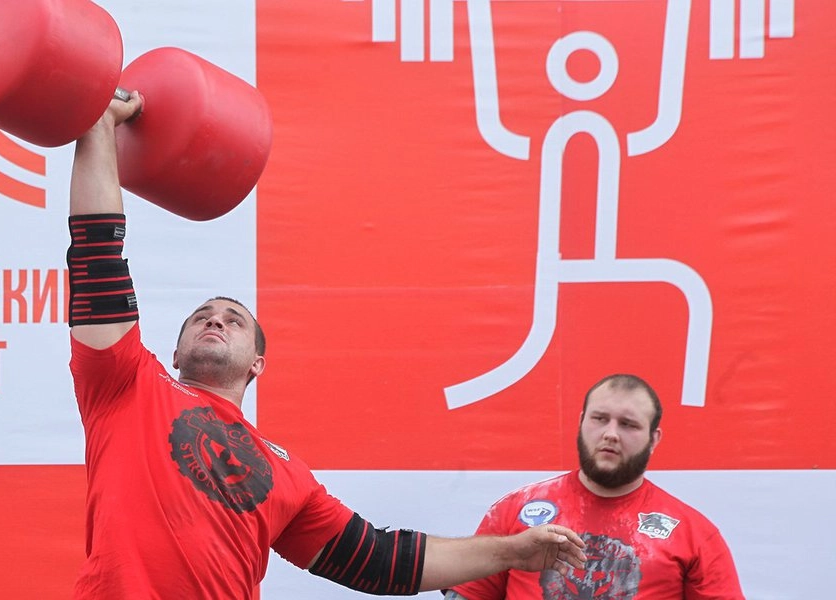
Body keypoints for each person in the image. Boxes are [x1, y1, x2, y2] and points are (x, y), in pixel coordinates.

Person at [64, 92, 587, 599]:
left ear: (257, 364)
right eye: (201, 317)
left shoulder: (286, 473)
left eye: (234, 320)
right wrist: (98, 126)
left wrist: (509, 551)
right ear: (175, 355)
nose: (215, 320)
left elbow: (380, 561)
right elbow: (97, 257)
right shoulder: (126, 383)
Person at [444, 374, 744, 600]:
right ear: (581, 422)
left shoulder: (694, 535)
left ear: (654, 439)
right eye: (600, 419)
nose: (611, 434)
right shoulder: (513, 511)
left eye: (628, 424)